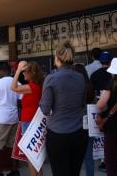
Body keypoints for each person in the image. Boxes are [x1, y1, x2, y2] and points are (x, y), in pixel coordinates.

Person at [40, 41, 87, 176]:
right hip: (78, 133)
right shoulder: (80, 78)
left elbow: (44, 109)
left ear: (57, 58)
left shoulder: (51, 78)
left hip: (57, 133)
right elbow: (82, 104)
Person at [11, 61, 44, 176]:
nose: (24, 75)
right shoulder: (36, 86)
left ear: (31, 73)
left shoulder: (31, 87)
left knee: (30, 157)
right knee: (35, 157)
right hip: (33, 121)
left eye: (25, 72)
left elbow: (13, 87)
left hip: (29, 122)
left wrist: (18, 70)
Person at [0, 63, 20, 176]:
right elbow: (20, 101)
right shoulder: (17, 82)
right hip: (14, 118)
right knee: (12, 145)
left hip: (1, 119)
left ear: (2, 71)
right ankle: (15, 170)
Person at [73, 63, 96, 176]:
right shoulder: (90, 86)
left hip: (76, 123)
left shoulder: (75, 87)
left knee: (75, 157)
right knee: (88, 157)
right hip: (89, 123)